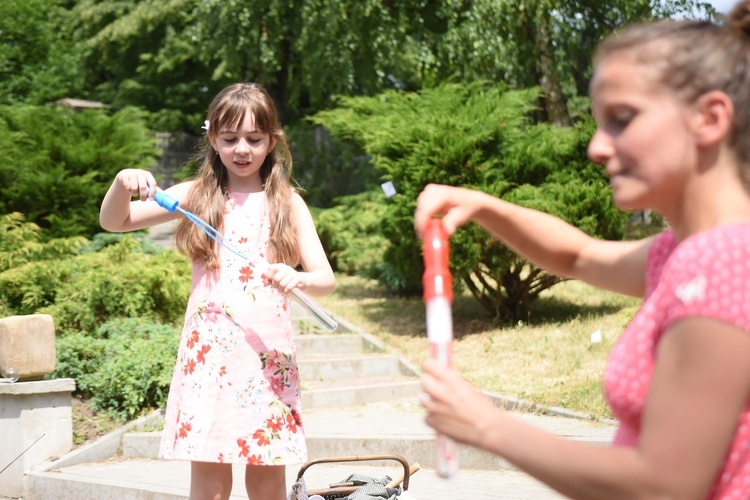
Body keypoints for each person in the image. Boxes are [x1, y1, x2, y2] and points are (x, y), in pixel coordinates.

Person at [414, 2, 750, 498]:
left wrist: (488, 426)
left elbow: (665, 486)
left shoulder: (723, 260)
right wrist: (483, 206)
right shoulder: (683, 253)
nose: (596, 146)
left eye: (622, 119)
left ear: (709, 117)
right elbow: (577, 256)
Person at [100, 82, 336, 500]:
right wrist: (122, 183)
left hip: (267, 359)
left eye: (254, 139)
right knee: (209, 482)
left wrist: (297, 277)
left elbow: (325, 280)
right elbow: (116, 221)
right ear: (213, 139)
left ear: (272, 142)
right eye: (230, 139)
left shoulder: (288, 202)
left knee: (266, 480)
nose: (241, 149)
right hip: (208, 358)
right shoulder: (195, 194)